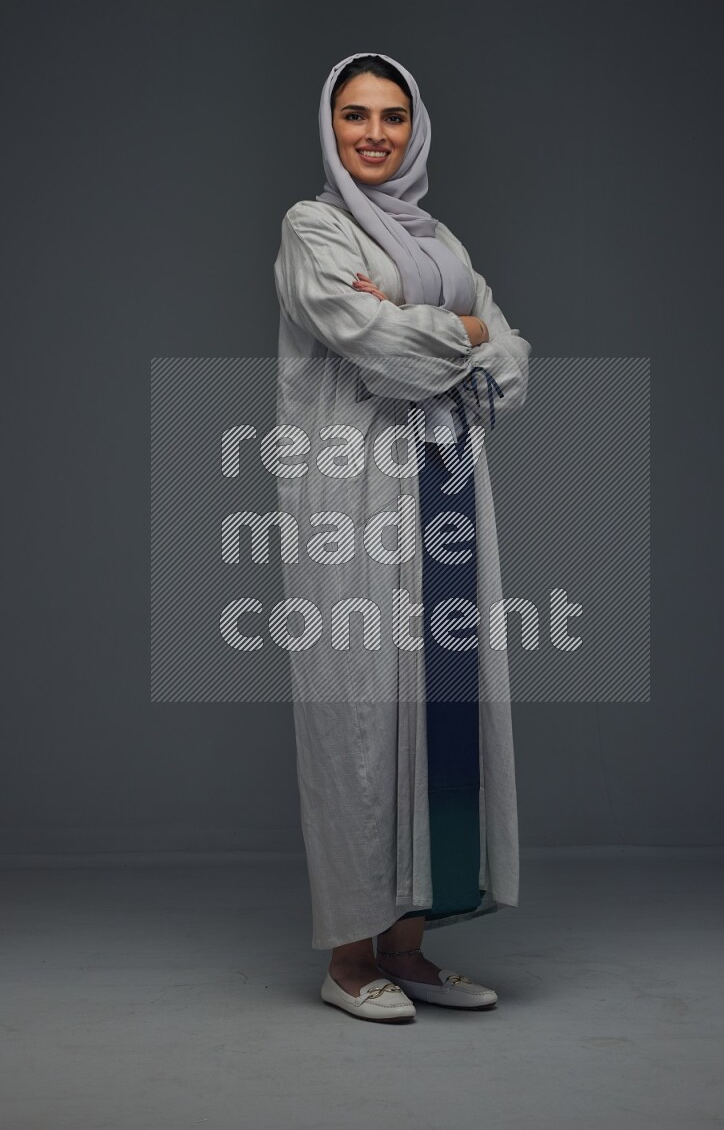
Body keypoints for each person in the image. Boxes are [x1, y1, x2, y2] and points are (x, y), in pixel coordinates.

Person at [273, 52, 532, 1022]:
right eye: (353, 115)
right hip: (353, 499)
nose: (372, 133)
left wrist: (446, 330)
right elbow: (368, 342)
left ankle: (410, 947)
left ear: (414, 127)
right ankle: (348, 958)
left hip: (448, 495)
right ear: (330, 125)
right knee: (358, 717)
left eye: (389, 115)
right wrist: (459, 332)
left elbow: (512, 356)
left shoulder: (440, 239)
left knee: (442, 708)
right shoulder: (312, 227)